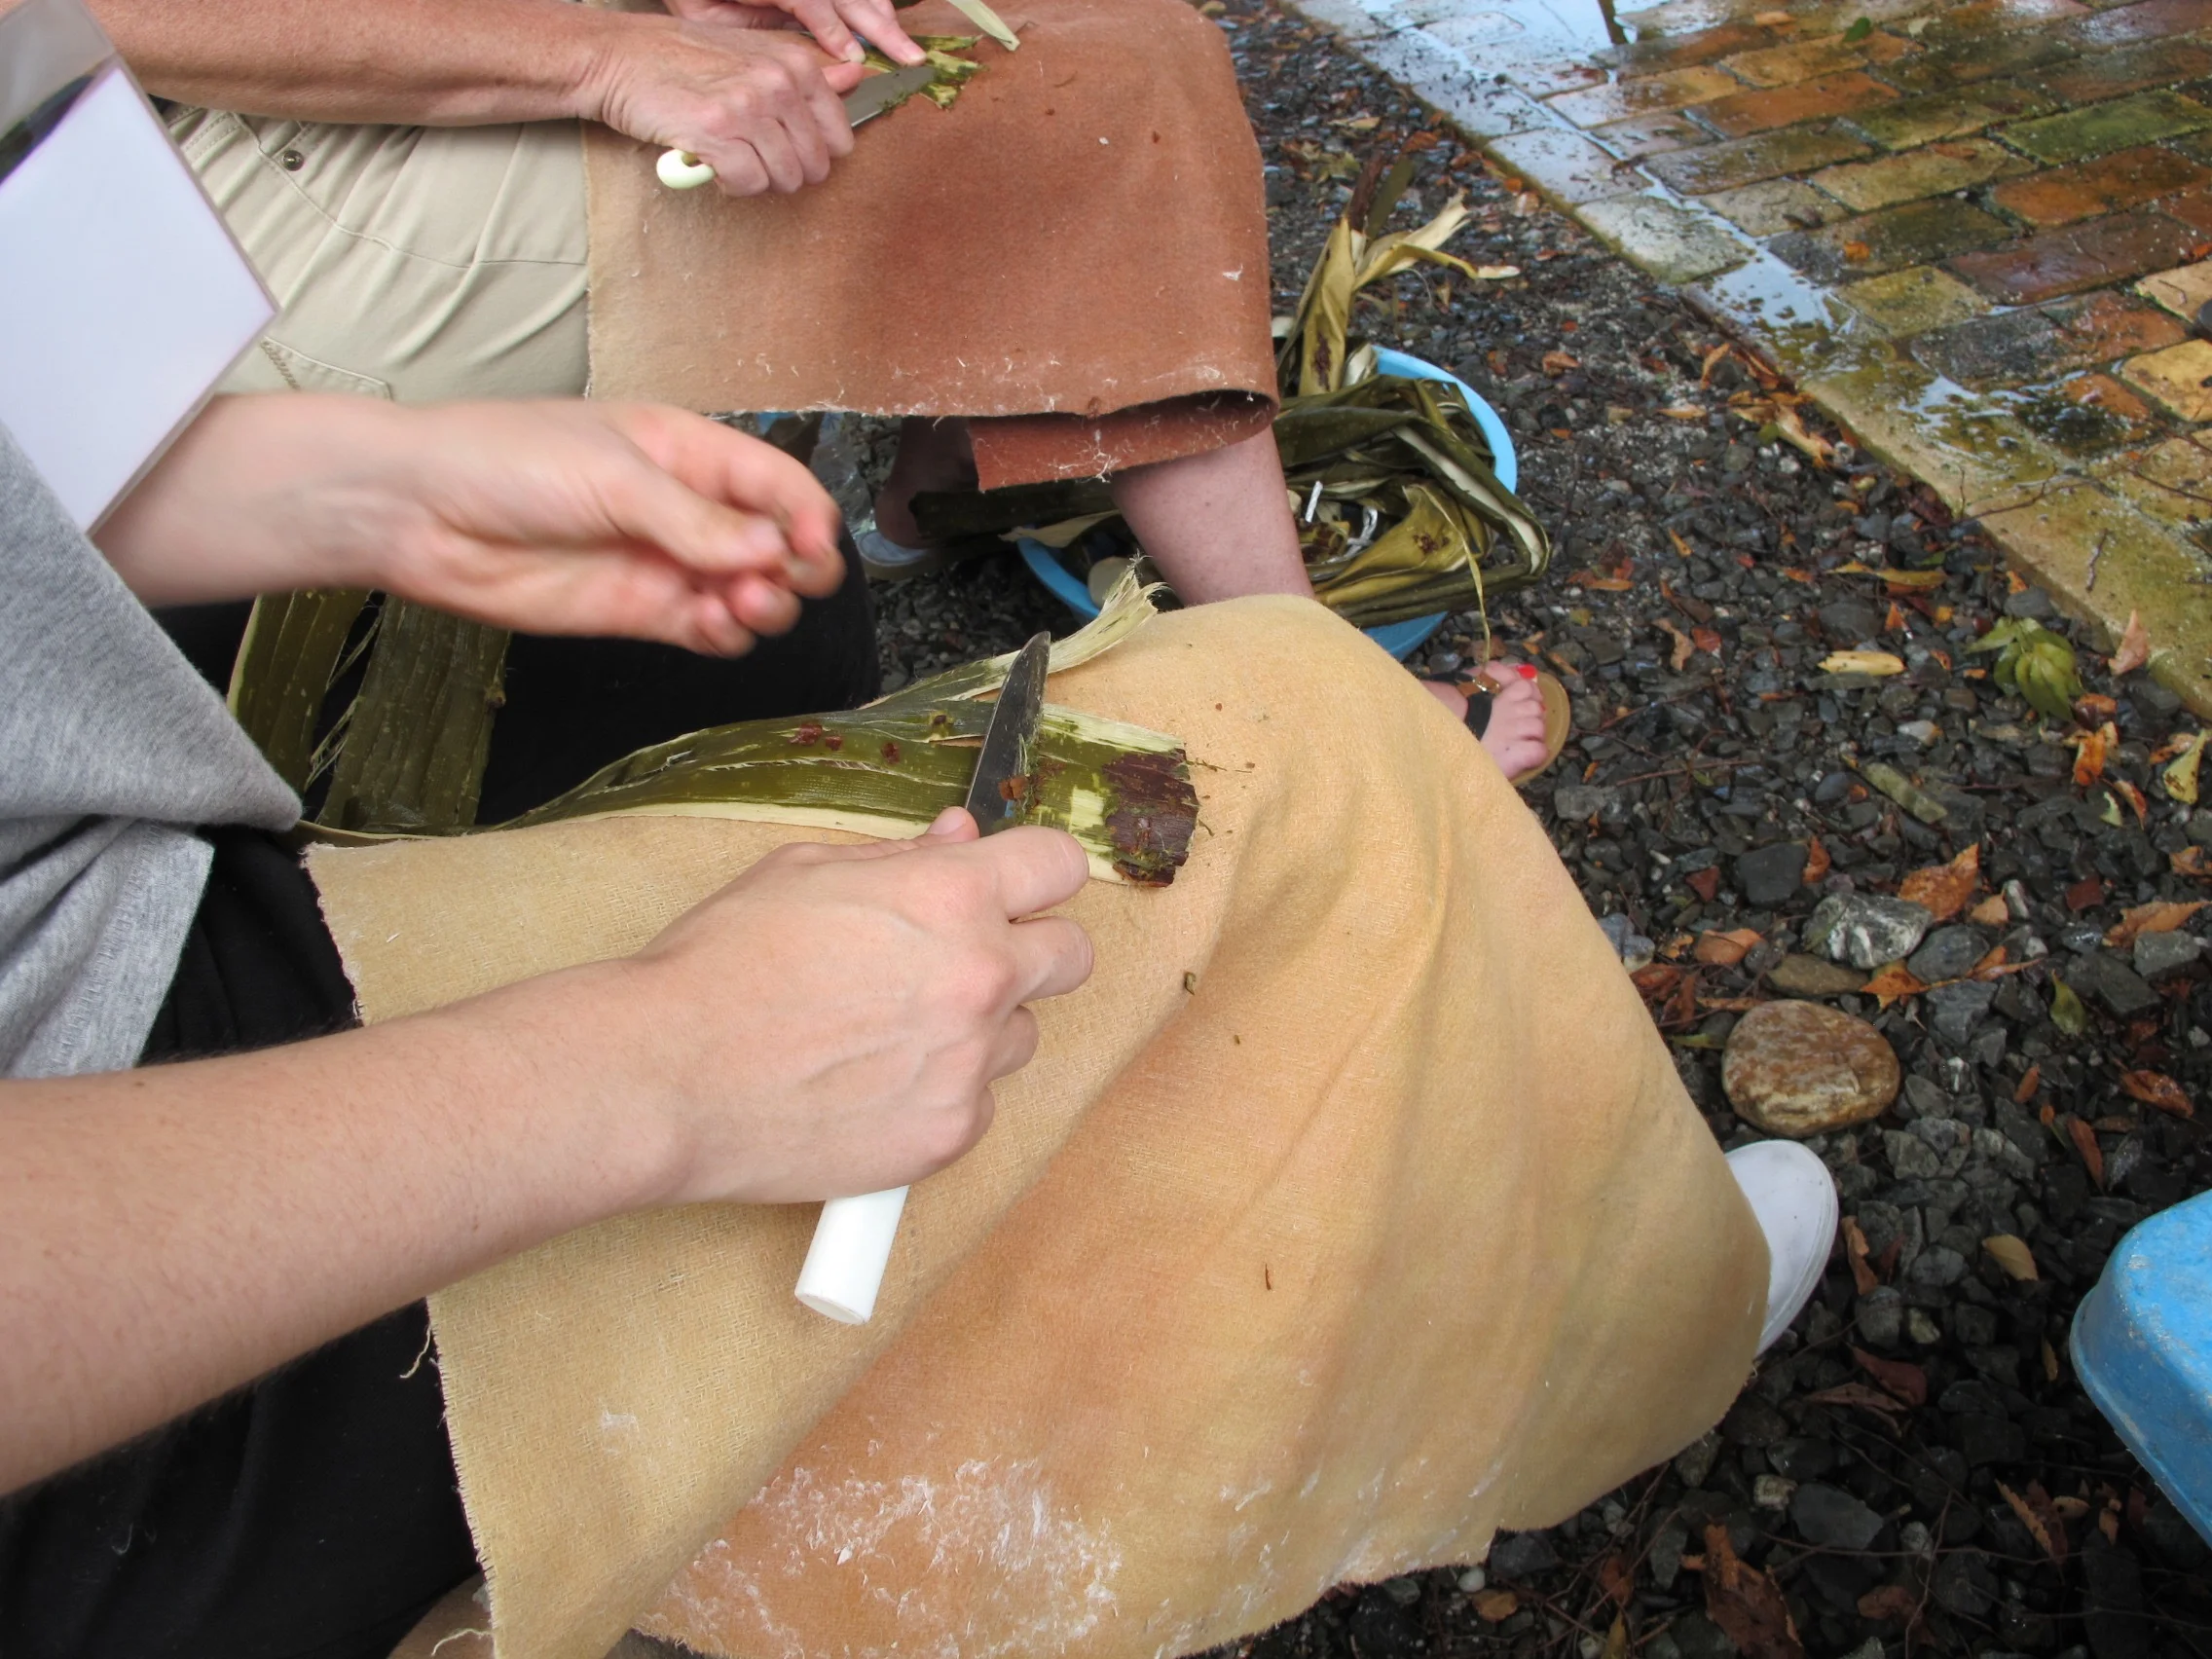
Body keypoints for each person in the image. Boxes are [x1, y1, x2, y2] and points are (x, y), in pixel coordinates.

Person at [0, 392, 1096, 1657]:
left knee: (772, 630)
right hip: (87, 1390)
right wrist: (680, 1063)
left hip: (84, 837)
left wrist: (355, 485)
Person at [85, 0, 1561, 783]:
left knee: (1034, 37)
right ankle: (1292, 677)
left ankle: (926, 506)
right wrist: (604, 53)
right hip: (132, 183)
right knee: (1082, 131)